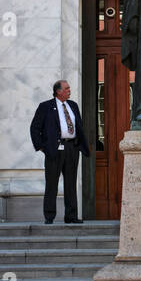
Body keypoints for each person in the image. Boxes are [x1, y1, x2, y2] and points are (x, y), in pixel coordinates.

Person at [30, 79, 90, 224]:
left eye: (69, 88)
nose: (69, 90)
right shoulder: (45, 106)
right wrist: (42, 147)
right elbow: (35, 128)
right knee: (52, 183)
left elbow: (78, 126)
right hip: (54, 149)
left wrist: (79, 145)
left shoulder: (73, 105)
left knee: (71, 183)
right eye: (66, 88)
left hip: (72, 148)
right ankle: (49, 216)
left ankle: (71, 216)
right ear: (58, 91)